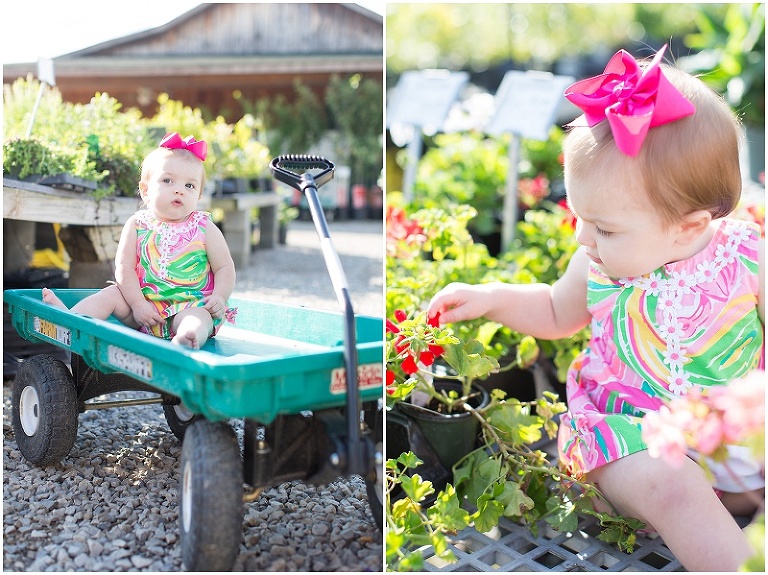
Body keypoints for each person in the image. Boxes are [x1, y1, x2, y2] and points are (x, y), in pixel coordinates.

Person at [427, 45, 764, 571]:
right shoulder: (599, 264)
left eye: (604, 226)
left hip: (736, 445)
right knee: (669, 482)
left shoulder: (749, 257)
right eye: (582, 216)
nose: (582, 236)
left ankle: (736, 508)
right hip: (631, 441)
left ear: (689, 226)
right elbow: (556, 312)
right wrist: (494, 297)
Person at [43, 132, 237, 349]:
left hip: (188, 305)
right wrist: (137, 305)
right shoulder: (137, 224)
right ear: (145, 191)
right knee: (111, 294)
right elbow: (124, 268)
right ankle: (71, 319)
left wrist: (219, 297)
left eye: (189, 186)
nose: (178, 190)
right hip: (143, 310)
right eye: (167, 180)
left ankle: (187, 338)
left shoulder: (204, 227)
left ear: (199, 196)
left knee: (198, 317)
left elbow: (224, 267)